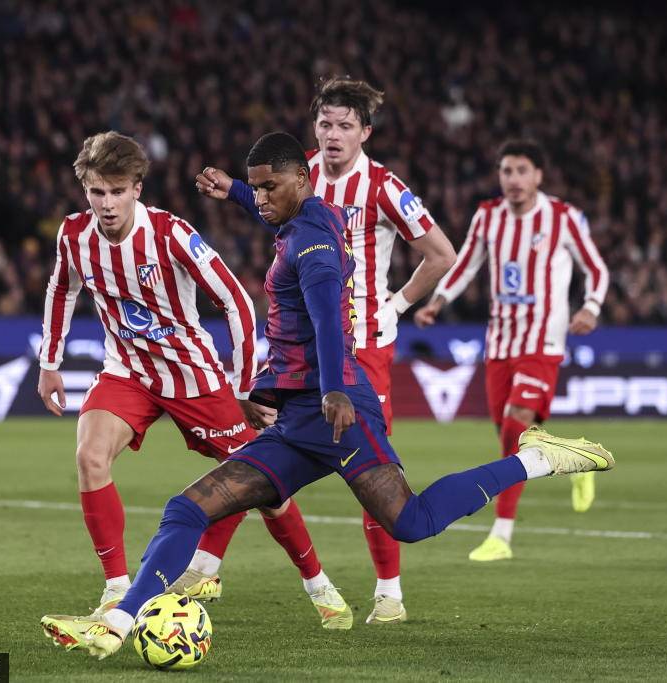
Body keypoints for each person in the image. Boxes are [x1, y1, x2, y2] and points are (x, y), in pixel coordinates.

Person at [40, 132, 614, 659]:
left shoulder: (313, 243)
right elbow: (274, 213)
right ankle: (116, 623)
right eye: (257, 187)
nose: (261, 199)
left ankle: (536, 458)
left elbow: (327, 320)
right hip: (295, 419)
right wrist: (236, 190)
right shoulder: (307, 217)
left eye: (268, 187)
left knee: (411, 521)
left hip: (339, 413)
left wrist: (336, 388)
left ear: (301, 179)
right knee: (186, 508)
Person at [38, 131, 353, 630]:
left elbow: (236, 302)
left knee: (265, 486)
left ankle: (318, 584)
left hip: (192, 375)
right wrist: (49, 362)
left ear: (137, 189)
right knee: (89, 456)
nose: (107, 204)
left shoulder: (170, 234)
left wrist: (245, 387)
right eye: (97, 192)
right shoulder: (74, 235)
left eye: (117, 191)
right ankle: (117, 590)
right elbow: (62, 289)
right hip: (128, 371)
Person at [194, 77, 457, 624]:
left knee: (372, 470)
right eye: (325, 124)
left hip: (365, 349)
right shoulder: (300, 173)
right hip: (302, 348)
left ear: (366, 132)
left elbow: (441, 254)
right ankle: (205, 565)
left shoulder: (385, 187)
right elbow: (274, 209)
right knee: (259, 451)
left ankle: (388, 592)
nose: (333, 134)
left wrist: (397, 304)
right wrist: (236, 191)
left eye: (345, 126)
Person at [414, 139, 610, 562]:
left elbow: (596, 267)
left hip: (543, 339)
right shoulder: (488, 216)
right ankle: (574, 459)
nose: (514, 179)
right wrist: (438, 301)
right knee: (515, 436)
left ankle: (501, 533)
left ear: (538, 175)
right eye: (507, 171)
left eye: (522, 170)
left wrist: (591, 307)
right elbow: (467, 263)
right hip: (500, 341)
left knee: (515, 423)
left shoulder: (563, 217)